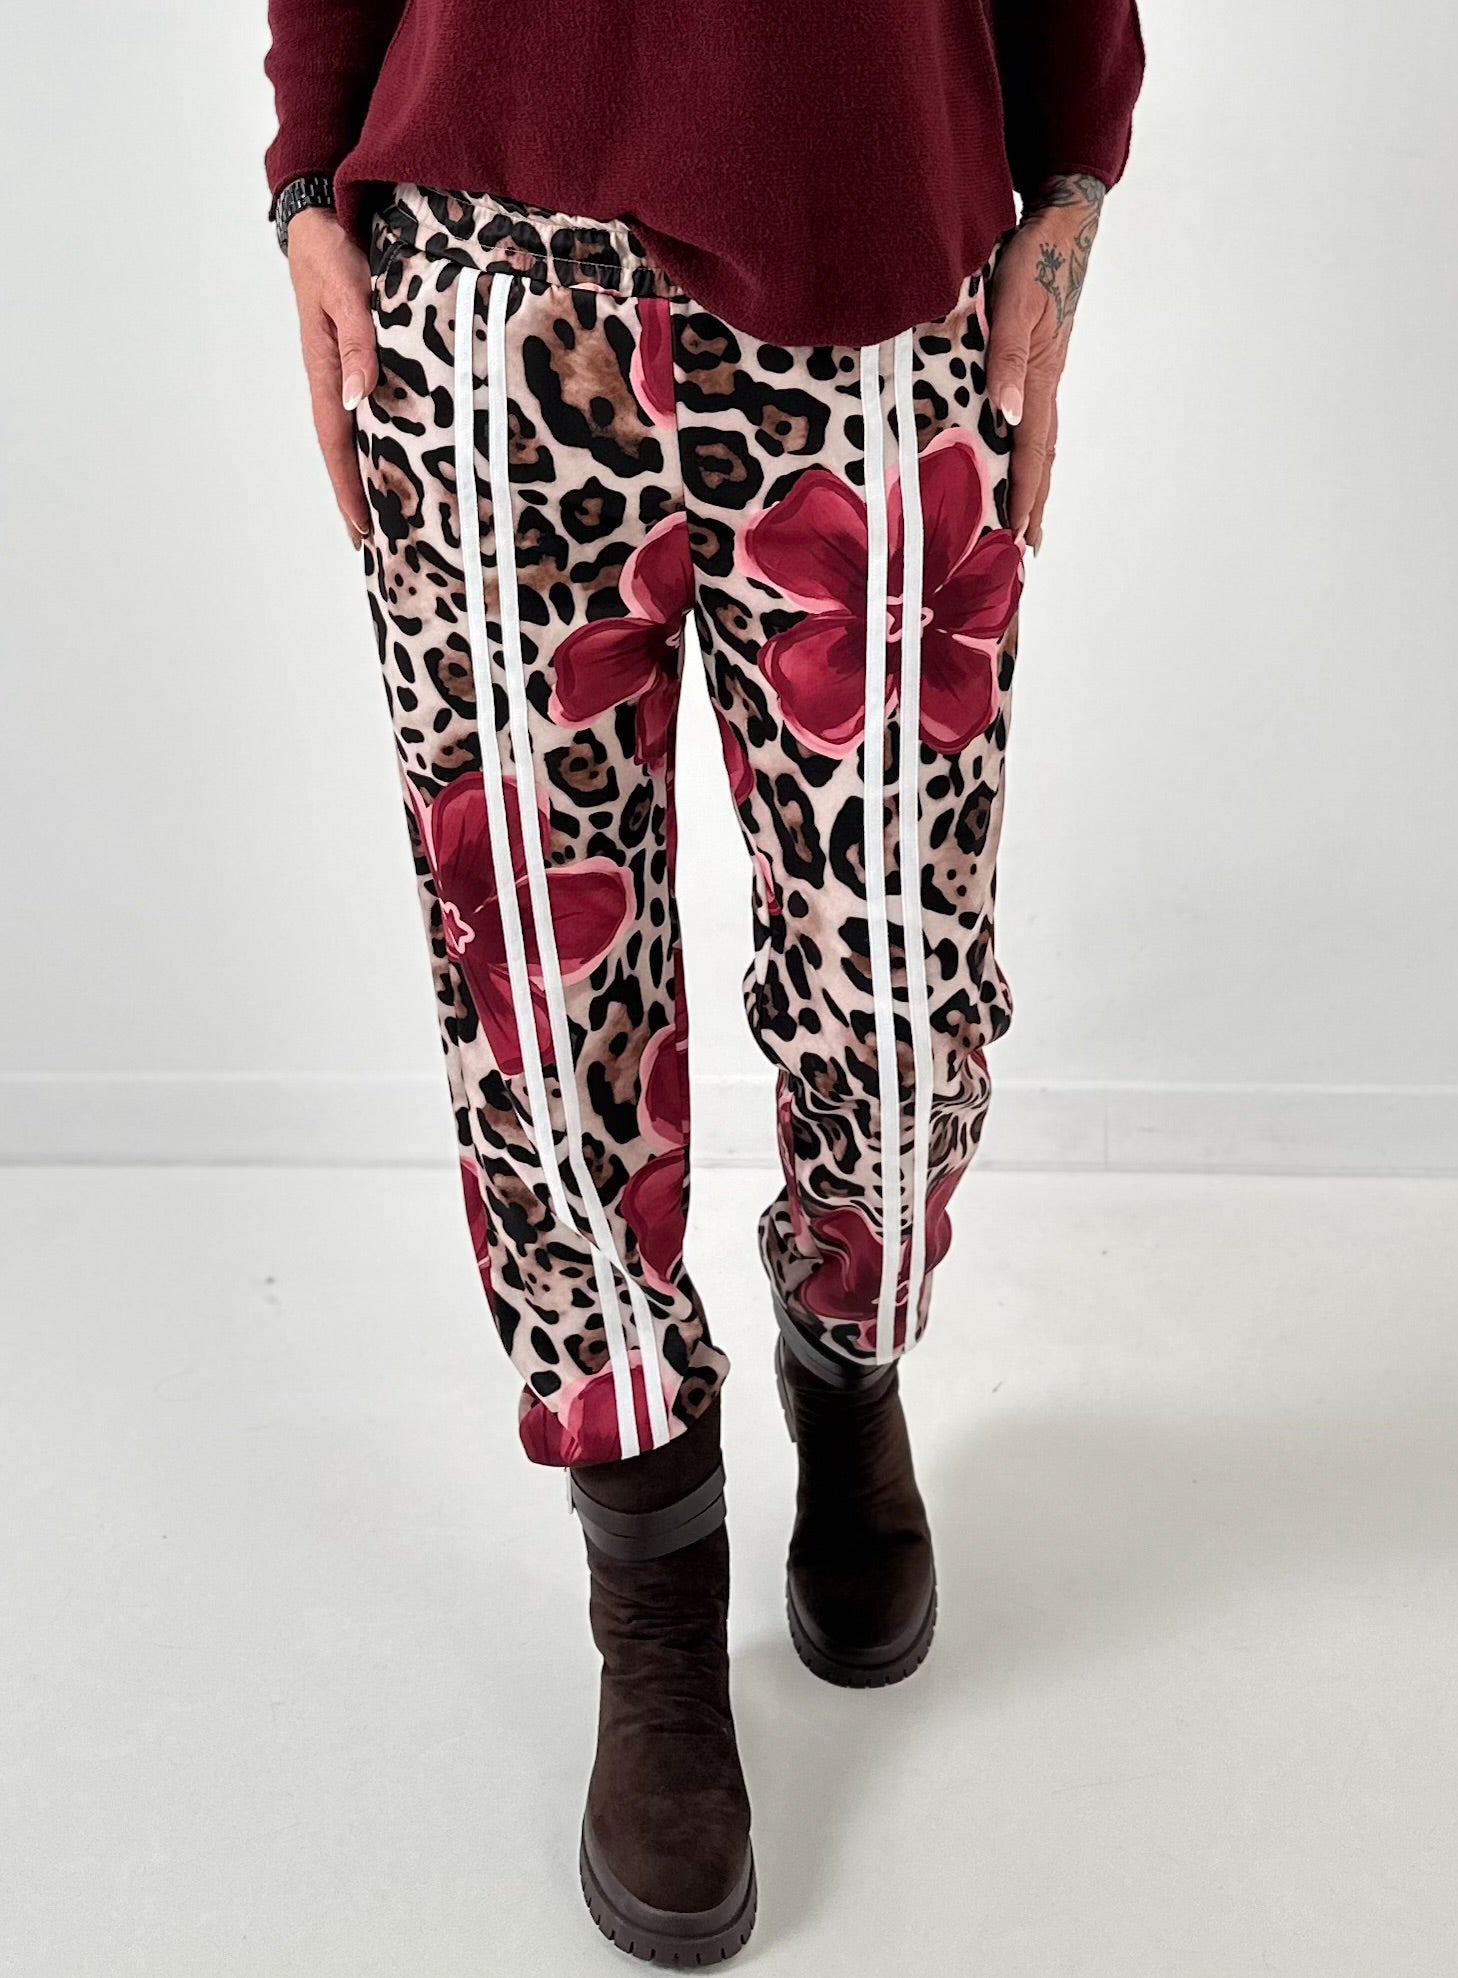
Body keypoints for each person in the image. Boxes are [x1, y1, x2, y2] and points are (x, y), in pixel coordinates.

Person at [264, 2, 1143, 1960]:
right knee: (540, 996)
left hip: (878, 279)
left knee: (902, 989)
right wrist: (307, 181)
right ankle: (652, 1580)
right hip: (484, 288)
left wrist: (1069, 190)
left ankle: (849, 1349)